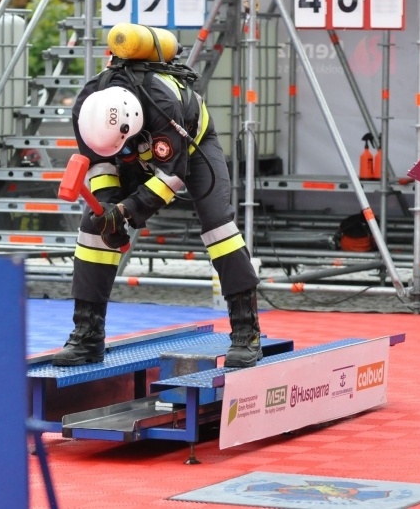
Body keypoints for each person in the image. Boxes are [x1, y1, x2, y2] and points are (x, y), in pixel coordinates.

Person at [51, 54, 264, 369]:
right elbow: (98, 162)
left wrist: (127, 209)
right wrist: (109, 207)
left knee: (219, 228)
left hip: (192, 143)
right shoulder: (87, 108)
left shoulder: (162, 106)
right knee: (92, 228)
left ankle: (247, 333)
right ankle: (87, 335)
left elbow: (170, 176)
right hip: (128, 153)